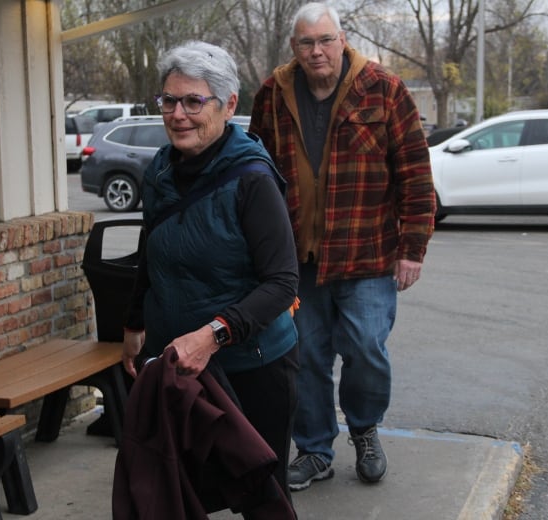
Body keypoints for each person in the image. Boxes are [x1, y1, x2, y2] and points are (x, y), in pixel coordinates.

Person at [249, 2, 436, 491]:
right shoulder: (272, 93)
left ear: (343, 39)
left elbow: (416, 173)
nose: (317, 52)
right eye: (307, 43)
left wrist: (412, 247)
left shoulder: (385, 89)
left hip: (367, 251)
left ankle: (365, 428)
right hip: (295, 258)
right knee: (306, 356)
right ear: (295, 47)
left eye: (325, 40)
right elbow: (253, 170)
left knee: (366, 348)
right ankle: (314, 450)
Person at [119, 40, 300, 516]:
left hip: (251, 370)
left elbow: (282, 283)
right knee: (174, 492)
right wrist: (135, 325)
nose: (178, 114)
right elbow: (151, 251)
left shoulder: (251, 179)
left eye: (193, 101)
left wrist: (213, 335)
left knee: (262, 498)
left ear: (229, 105)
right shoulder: (160, 168)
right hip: (178, 368)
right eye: (168, 100)